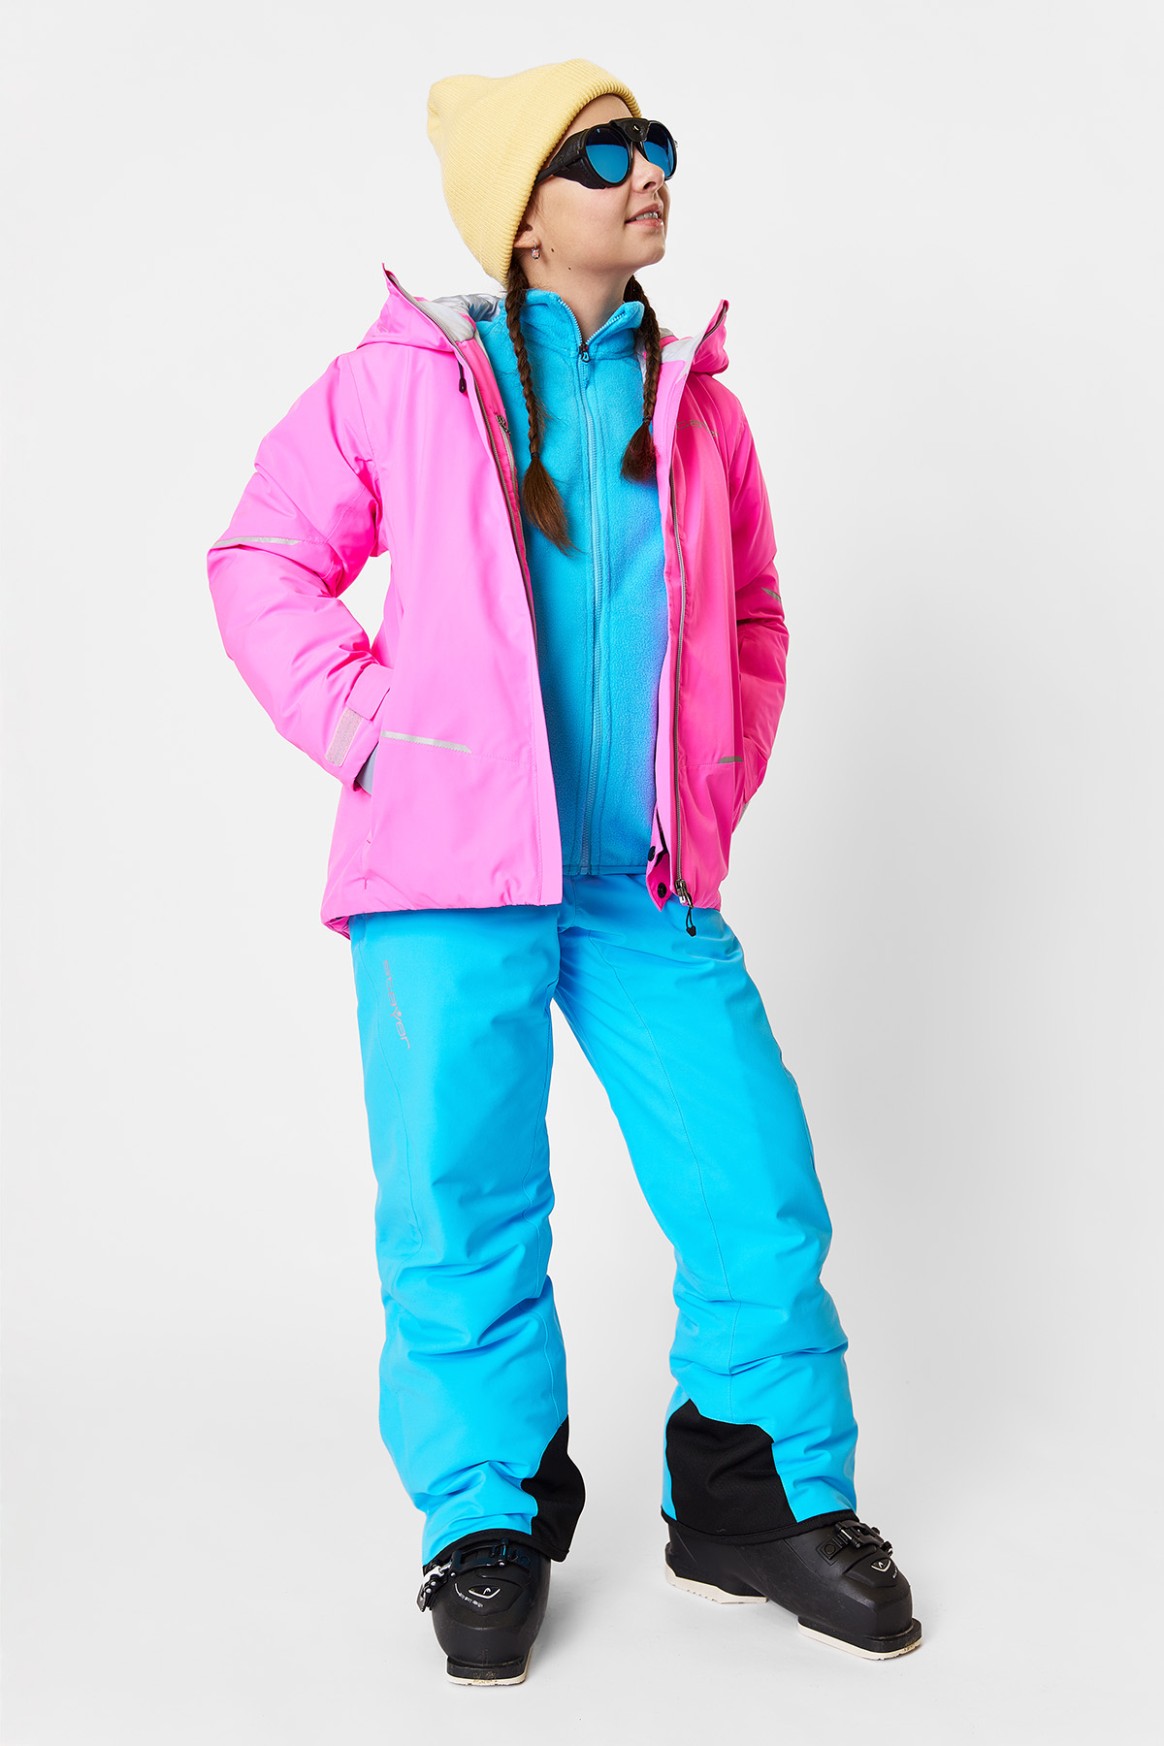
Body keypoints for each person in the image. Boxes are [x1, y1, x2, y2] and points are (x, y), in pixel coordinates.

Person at [207, 57, 923, 1687]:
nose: (646, 171)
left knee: (752, 1178)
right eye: (604, 155)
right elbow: (260, 558)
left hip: (636, 878)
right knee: (463, 1201)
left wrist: (714, 779)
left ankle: (751, 1499)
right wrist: (377, 734)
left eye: (654, 144)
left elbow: (752, 614)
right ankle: (488, 1512)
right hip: (444, 868)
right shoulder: (404, 382)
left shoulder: (700, 412)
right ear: (524, 215)